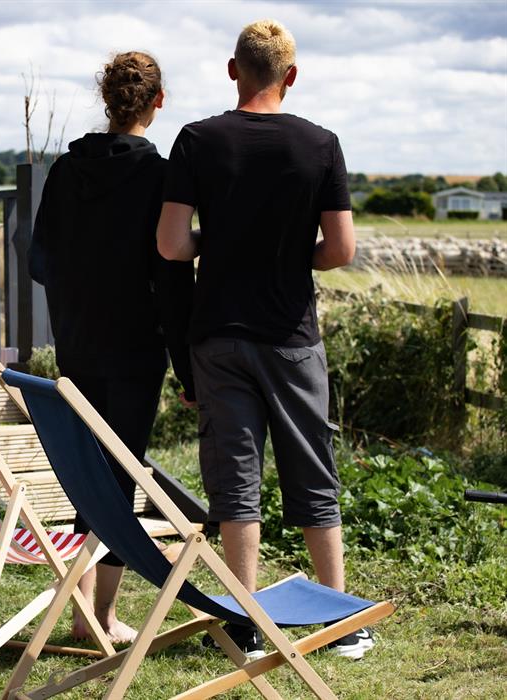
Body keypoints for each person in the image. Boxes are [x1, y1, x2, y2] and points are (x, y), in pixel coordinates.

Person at [157, 19, 372, 660]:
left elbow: (170, 245)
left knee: (235, 483)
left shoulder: (196, 140)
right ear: (292, 75)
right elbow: (340, 250)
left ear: (233, 70)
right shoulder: (321, 145)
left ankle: (245, 623)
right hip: (290, 335)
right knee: (313, 472)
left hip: (217, 333)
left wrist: (217, 245)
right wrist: (285, 254)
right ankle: (339, 623)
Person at [29, 51, 195, 645]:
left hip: (76, 340)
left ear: (107, 99)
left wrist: (82, 289)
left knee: (84, 473)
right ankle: (96, 615)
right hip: (134, 347)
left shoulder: (67, 170)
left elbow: (37, 262)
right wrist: (191, 374)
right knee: (119, 476)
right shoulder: (160, 175)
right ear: (158, 101)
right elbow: (173, 279)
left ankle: (83, 610)